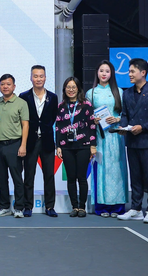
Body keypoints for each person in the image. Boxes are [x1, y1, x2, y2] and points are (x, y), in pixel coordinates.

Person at [86, 60, 128, 217]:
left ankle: (118, 207)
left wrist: (117, 119)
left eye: (107, 71)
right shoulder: (91, 93)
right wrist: (94, 120)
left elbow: (126, 114)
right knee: (101, 169)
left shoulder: (119, 92)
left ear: (112, 74)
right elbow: (86, 116)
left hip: (116, 136)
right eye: (101, 70)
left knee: (117, 170)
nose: (104, 74)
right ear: (97, 73)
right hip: (99, 137)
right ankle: (101, 207)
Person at [118, 58, 148, 224]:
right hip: (132, 141)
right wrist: (123, 126)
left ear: (143, 72)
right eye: (129, 71)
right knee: (135, 177)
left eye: (132, 71)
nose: (129, 74)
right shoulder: (127, 93)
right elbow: (125, 114)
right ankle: (135, 208)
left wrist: (143, 127)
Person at [19, 65, 59, 217]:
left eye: (41, 76)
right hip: (30, 141)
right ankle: (28, 206)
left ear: (45, 78)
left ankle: (50, 206)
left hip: (47, 141)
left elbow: (53, 118)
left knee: (49, 175)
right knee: (29, 175)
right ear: (31, 78)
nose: (38, 79)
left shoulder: (53, 97)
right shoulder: (24, 96)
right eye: (35, 76)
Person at [55, 77, 96, 218]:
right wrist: (58, 146)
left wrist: (93, 145)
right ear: (64, 89)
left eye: (73, 87)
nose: (71, 90)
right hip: (66, 147)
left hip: (83, 145)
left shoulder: (86, 105)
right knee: (71, 178)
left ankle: (82, 207)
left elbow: (92, 126)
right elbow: (58, 128)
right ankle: (74, 206)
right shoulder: (61, 106)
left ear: (78, 89)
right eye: (68, 87)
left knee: (82, 178)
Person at [0, 74, 29, 218]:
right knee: (1, 178)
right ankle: (4, 207)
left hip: (15, 144)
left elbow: (25, 125)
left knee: (17, 178)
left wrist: (23, 145)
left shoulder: (21, 103)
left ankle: (19, 207)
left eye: (8, 84)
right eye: (2, 84)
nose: (5, 86)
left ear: (14, 86)